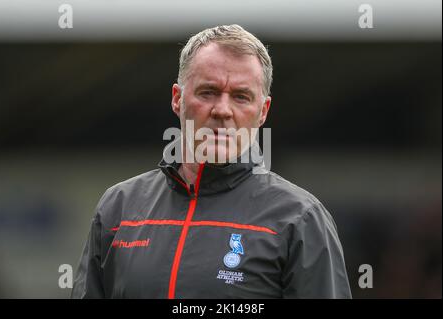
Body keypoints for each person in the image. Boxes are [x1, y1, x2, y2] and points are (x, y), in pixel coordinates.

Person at [71, 24, 352, 299]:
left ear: (263, 111)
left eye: (241, 97)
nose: (222, 110)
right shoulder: (119, 208)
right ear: (177, 99)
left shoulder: (300, 219)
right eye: (208, 92)